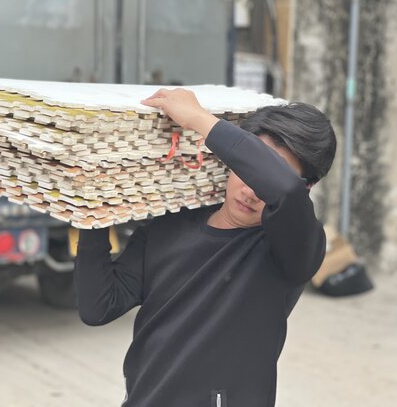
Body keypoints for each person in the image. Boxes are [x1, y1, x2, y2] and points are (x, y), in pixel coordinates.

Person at [75, 88, 337, 407]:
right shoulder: (170, 226)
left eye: (262, 175)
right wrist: (92, 211)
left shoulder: (293, 251)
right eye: (246, 169)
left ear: (306, 188)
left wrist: (199, 119)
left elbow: (285, 191)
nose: (251, 190)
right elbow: (99, 307)